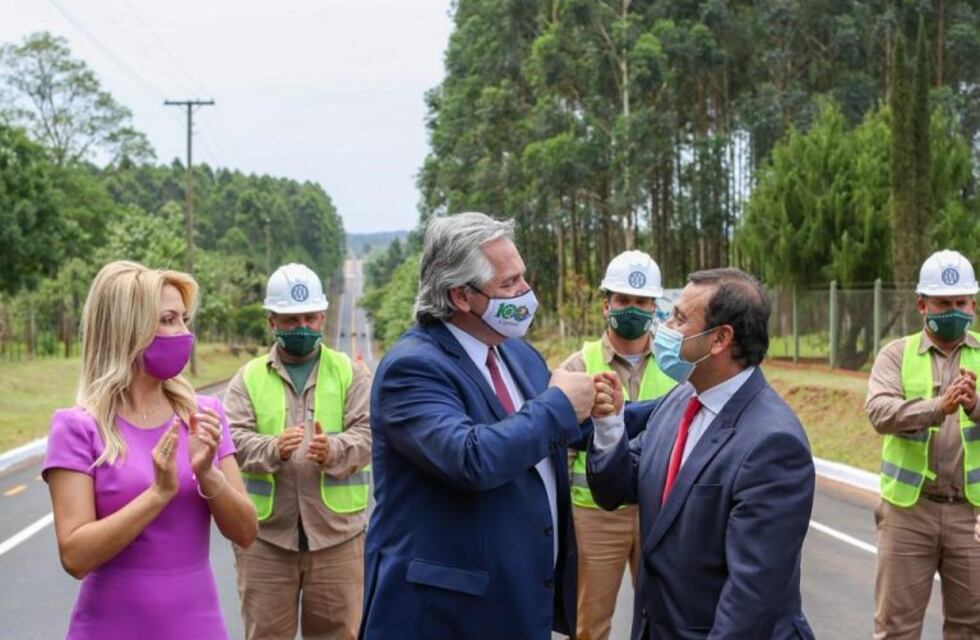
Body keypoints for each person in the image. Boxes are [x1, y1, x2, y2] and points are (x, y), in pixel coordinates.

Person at [359, 212, 601, 639]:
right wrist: (561, 403)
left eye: (523, 277)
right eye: (508, 284)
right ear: (460, 296)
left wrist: (634, 412)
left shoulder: (517, 354)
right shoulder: (412, 368)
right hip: (444, 616)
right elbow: (473, 458)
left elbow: (552, 429)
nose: (525, 293)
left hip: (517, 602)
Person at [588, 268, 816, 639]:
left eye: (679, 318)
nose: (663, 327)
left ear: (720, 339)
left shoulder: (772, 444)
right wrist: (610, 424)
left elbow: (750, 598)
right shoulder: (682, 399)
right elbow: (617, 488)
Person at [43, 260, 257, 640]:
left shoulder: (204, 415)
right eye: (169, 319)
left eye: (184, 319)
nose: (184, 332)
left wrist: (208, 474)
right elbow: (75, 557)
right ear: (129, 329)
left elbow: (245, 532)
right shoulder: (78, 427)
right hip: (109, 627)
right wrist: (158, 494)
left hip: (198, 625)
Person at [225, 263, 372, 640]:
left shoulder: (351, 373)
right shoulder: (248, 378)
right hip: (266, 540)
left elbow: (372, 433)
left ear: (323, 317)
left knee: (340, 635)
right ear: (272, 322)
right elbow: (233, 440)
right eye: (290, 320)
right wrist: (272, 449)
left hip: (338, 538)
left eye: (309, 317)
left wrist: (334, 449)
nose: (301, 327)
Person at [558, 250, 675, 640]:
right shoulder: (578, 366)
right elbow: (560, 448)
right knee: (589, 625)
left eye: (641, 302)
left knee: (663, 617)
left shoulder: (679, 367)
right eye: (623, 300)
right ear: (606, 304)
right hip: (594, 517)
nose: (632, 309)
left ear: (654, 308)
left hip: (659, 511)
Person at [865, 249, 980, 639]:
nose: (953, 310)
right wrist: (938, 406)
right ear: (921, 304)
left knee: (971, 628)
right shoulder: (895, 355)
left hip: (972, 516)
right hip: (908, 514)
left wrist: (974, 405)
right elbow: (880, 411)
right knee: (896, 627)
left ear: (973, 304)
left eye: (960, 302)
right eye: (943, 303)